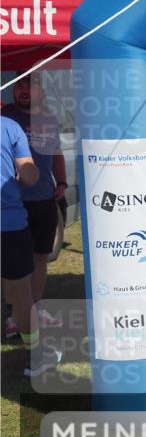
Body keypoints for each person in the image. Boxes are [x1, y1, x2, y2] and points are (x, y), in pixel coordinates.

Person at [2, 76, 66, 337]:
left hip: (43, 199)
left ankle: (36, 307)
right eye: (19, 85)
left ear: (41, 90)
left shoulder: (49, 118)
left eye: (29, 85)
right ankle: (12, 315)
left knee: (41, 256)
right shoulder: (7, 116)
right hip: (14, 202)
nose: (23, 90)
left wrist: (61, 181)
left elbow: (57, 152)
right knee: (13, 262)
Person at [2, 116, 61, 376]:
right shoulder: (9, 127)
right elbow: (29, 175)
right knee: (20, 295)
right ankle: (34, 357)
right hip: (9, 224)